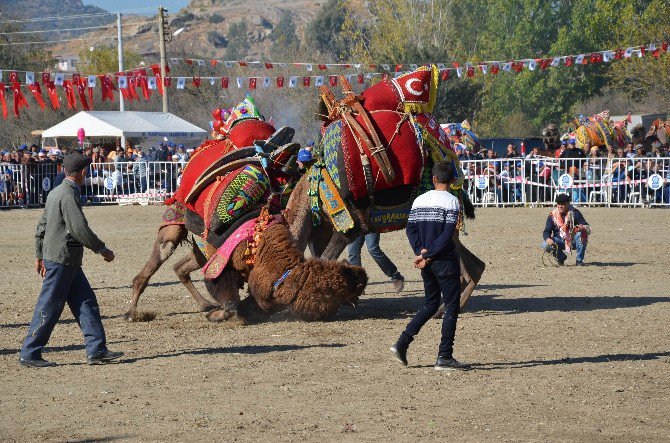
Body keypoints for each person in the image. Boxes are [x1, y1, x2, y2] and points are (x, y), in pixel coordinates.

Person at [19, 153, 123, 368]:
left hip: (64, 260)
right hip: (62, 259)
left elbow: (42, 226)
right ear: (83, 172)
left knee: (86, 304)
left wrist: (39, 254)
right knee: (49, 305)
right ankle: (29, 353)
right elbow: (78, 228)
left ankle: (97, 350)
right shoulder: (68, 195)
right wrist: (102, 249)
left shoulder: (56, 192)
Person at [390, 161, 469, 371]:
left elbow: (410, 229)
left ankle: (402, 343)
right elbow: (446, 235)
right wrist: (430, 255)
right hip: (444, 261)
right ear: (452, 180)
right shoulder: (452, 202)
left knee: (430, 304)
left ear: (433, 179)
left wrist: (421, 252)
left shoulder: (419, 200)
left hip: (426, 261)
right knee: (452, 306)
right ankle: (444, 356)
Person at [541, 193, 590, 266]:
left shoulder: (575, 213)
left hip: (573, 241)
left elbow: (587, 227)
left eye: (563, 204)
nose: (560, 206)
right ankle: (561, 258)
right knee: (545, 245)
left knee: (582, 235)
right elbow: (546, 231)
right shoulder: (552, 215)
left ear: (568, 203)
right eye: (558, 204)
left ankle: (579, 261)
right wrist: (548, 239)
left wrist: (580, 228)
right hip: (559, 241)